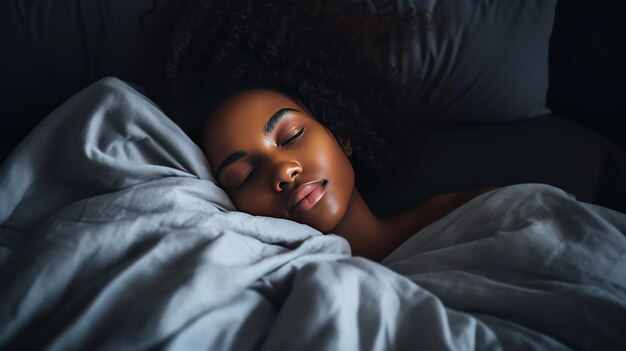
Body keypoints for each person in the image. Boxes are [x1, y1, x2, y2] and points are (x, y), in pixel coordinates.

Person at [144, 0, 495, 260]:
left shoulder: (477, 215)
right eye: (244, 175)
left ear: (341, 134)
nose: (283, 171)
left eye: (291, 136)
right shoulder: (257, 280)